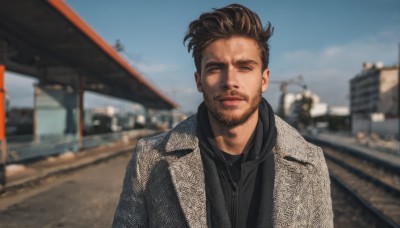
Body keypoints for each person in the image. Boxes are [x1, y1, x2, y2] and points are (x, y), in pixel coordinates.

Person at [113, 4, 333, 228]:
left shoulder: (310, 162)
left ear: (264, 80)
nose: (230, 81)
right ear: (199, 81)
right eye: (216, 68)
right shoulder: (150, 158)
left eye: (245, 67)